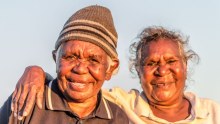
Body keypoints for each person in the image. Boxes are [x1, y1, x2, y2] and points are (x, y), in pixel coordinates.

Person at [7, 26, 220, 123]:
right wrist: (36, 72)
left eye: (171, 61)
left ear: (186, 65)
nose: (162, 71)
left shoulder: (213, 113)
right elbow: (79, 85)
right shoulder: (121, 105)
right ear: (137, 70)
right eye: (151, 63)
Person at [0, 5, 129, 124]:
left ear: (110, 69)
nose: (80, 69)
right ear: (55, 58)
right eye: (70, 57)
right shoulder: (26, 104)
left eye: (93, 60)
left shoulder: (117, 117)